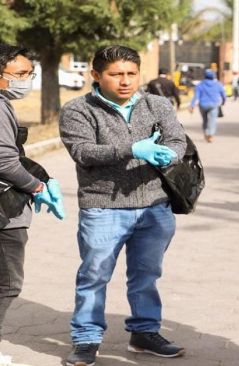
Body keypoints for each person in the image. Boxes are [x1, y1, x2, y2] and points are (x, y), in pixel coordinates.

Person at [59, 45, 187, 366]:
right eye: (116, 75)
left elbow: (177, 140)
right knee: (94, 275)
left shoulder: (157, 104)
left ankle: (144, 333)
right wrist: (132, 149)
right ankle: (86, 338)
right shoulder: (78, 110)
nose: (125, 81)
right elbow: (84, 152)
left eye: (131, 74)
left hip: (154, 206)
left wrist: (170, 154)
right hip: (103, 207)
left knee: (146, 275)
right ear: (96, 76)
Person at [0, 44, 64, 365]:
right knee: (7, 284)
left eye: (30, 73)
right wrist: (38, 186)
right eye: (20, 74)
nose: (26, 80)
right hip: (4, 213)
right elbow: (4, 161)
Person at [189, 69, 226, 143]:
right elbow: (223, 95)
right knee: (212, 120)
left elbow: (196, 96)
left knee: (205, 120)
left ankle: (206, 133)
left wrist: (192, 105)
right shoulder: (218, 84)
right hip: (214, 105)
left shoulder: (200, 84)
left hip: (203, 105)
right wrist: (224, 101)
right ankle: (210, 135)